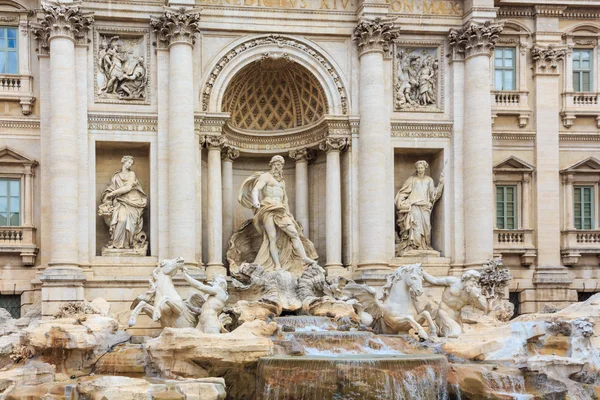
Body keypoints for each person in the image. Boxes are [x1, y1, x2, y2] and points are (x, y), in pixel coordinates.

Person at [238, 155, 316, 271]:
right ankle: (277, 265)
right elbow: (256, 189)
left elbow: (285, 200)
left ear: (282, 167)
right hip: (268, 209)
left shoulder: (282, 182)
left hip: (281, 210)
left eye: (279, 164)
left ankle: (304, 258)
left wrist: (288, 214)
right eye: (275, 164)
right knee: (272, 237)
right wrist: (255, 201)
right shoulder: (265, 177)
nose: (277, 167)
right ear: (271, 165)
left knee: (294, 233)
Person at [395, 160, 443, 255]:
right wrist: (400, 202)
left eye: (421, 168)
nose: (420, 169)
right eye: (418, 168)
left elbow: (433, 194)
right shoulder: (412, 179)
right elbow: (403, 192)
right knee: (416, 226)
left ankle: (426, 245)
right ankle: (415, 246)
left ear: (425, 168)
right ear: (416, 169)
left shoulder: (429, 180)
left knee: (427, 226)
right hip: (414, 205)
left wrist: (441, 184)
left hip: (425, 206)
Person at [99, 156, 147, 250]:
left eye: (131, 163)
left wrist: (113, 193)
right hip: (119, 202)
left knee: (128, 223)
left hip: (131, 202)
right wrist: (107, 196)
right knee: (121, 220)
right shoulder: (116, 176)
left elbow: (128, 188)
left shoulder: (131, 174)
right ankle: (116, 244)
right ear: (123, 162)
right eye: (128, 162)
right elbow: (110, 188)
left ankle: (127, 244)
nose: (130, 165)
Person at [422, 270, 487, 337]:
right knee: (455, 333)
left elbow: (483, 307)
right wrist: (422, 272)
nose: (474, 283)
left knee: (459, 335)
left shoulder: (471, 291)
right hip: (444, 313)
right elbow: (434, 281)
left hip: (457, 318)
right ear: (466, 278)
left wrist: (477, 298)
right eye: (473, 280)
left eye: (476, 281)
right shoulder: (453, 281)